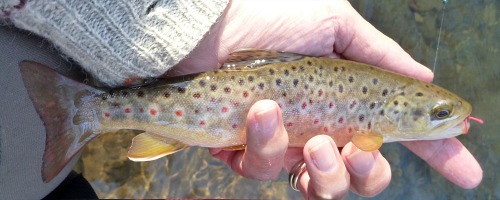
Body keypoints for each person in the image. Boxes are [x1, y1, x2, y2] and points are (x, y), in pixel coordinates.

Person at [0, 0, 482, 199]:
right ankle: (89, 114)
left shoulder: (380, 112)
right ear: (393, 112)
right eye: (439, 113)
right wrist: (211, 29)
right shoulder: (371, 133)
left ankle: (91, 113)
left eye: (438, 113)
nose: (446, 117)